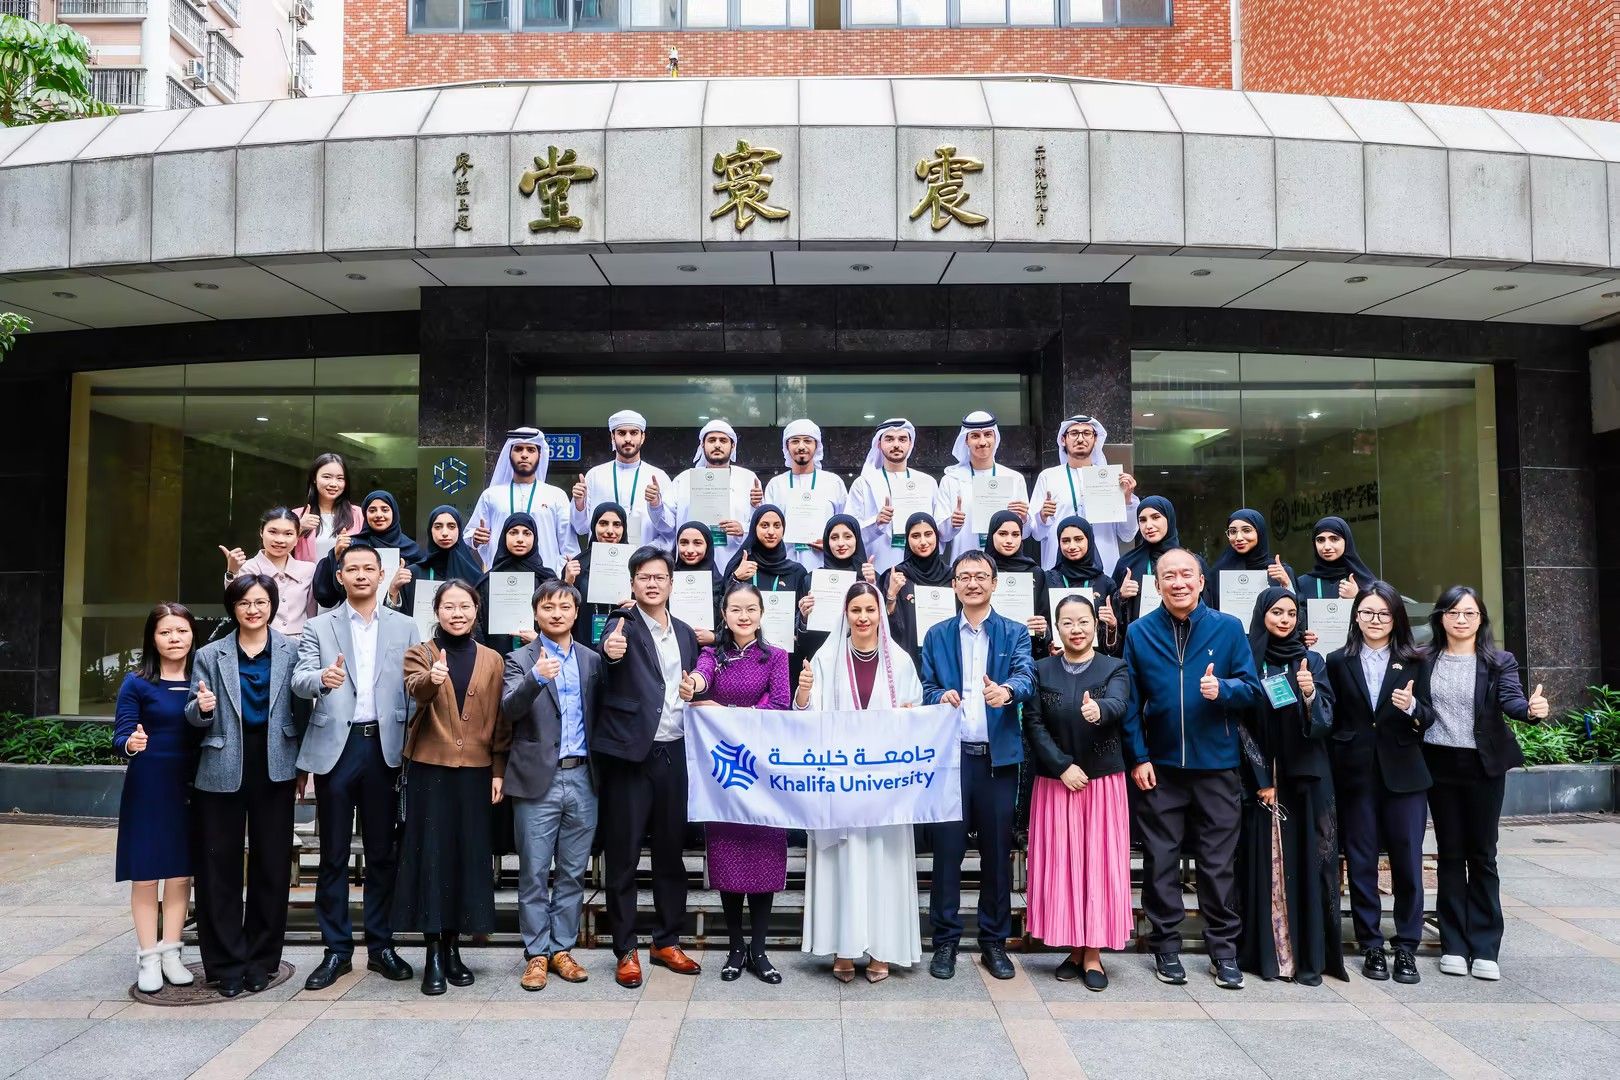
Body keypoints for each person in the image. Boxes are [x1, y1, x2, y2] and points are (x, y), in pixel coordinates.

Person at [1122, 547, 1263, 990]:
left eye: (1187, 574)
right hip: (1161, 768)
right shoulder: (1140, 632)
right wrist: (1139, 756)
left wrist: (1223, 689)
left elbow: (1252, 690)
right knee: (1160, 860)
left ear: (1202, 581)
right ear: (1157, 584)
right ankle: (1166, 946)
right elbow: (1130, 703)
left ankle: (1224, 951)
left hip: (1217, 765)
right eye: (1169, 576)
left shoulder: (1228, 628)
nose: (1178, 582)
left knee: (1217, 863)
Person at [293, 542, 422, 991]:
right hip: (337, 747)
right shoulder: (318, 626)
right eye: (353, 569)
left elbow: (414, 686)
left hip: (385, 749)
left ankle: (381, 945)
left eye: (370, 568)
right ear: (341, 576)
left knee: (383, 853)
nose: (362, 575)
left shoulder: (406, 626)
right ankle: (336, 950)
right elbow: (300, 678)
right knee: (332, 854)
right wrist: (321, 679)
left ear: (382, 575)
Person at [797, 580, 925, 983]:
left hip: (884, 787)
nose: (864, 617)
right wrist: (802, 694)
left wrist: (910, 713)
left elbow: (916, 713)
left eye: (871, 609)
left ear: (881, 613)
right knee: (843, 863)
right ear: (846, 614)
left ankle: (882, 949)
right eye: (856, 610)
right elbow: (807, 716)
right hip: (841, 783)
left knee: (883, 865)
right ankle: (844, 948)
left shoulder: (900, 661)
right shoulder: (827, 657)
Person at [1421, 586, 1549, 981]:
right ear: (1441, 617)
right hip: (1438, 763)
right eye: (1453, 612)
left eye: (1469, 613)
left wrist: (1530, 710)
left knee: (1482, 854)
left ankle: (1485, 946)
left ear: (1481, 619)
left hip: (1482, 766)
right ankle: (1454, 945)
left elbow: (1511, 700)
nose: (1461, 620)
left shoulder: (1498, 661)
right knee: (1449, 854)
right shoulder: (1423, 658)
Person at [920, 549, 1036, 981]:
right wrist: (939, 696)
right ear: (954, 585)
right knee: (947, 855)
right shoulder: (936, 635)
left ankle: (993, 942)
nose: (972, 583)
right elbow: (925, 685)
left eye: (980, 576)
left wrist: (1007, 692)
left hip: (996, 761)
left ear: (994, 583)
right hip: (950, 762)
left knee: (997, 856)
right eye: (964, 576)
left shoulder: (1013, 632)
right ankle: (945, 941)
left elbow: (1027, 676)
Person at [594, 546, 703, 988]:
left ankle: (666, 940)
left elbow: (689, 680)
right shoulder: (620, 623)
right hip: (630, 756)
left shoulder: (686, 633)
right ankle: (625, 948)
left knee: (670, 854)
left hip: (674, 753)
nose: (652, 583)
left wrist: (695, 684)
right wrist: (611, 649)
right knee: (623, 855)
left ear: (672, 583)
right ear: (633, 583)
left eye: (660, 577)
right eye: (644, 577)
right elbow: (609, 655)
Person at [186, 578, 300, 998]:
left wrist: (304, 764)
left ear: (273, 605)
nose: (253, 609)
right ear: (232, 607)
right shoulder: (209, 654)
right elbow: (192, 712)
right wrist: (201, 709)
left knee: (272, 865)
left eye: (261, 602)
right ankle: (225, 963)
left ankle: (261, 960)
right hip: (221, 764)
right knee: (219, 867)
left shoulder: (291, 650)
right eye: (244, 602)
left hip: (276, 764)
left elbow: (303, 706)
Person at [394, 579, 509, 996]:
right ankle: (433, 953)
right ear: (436, 611)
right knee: (432, 859)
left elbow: (501, 719)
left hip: (477, 772)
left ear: (477, 611)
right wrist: (433, 677)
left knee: (467, 858)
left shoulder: (493, 659)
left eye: (464, 606)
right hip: (430, 770)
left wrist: (498, 769)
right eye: (449, 606)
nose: (457, 613)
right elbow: (415, 690)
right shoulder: (420, 653)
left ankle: (455, 946)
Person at [1234, 586, 1345, 986]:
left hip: (1305, 780)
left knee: (1308, 861)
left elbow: (1326, 720)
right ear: (1261, 615)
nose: (1284, 620)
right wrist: (1262, 779)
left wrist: (1310, 693)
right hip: (1261, 780)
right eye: (1276, 612)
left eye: (1291, 613)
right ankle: (1269, 955)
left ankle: (1307, 957)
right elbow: (1240, 724)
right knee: (1263, 862)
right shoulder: (1248, 660)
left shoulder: (1311, 660)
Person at [1324, 580, 1433, 985]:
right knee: (1361, 859)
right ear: (1356, 617)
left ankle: (1406, 945)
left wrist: (1413, 707)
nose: (1375, 619)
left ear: (1396, 618)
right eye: (1367, 612)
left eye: (1383, 613)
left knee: (1407, 861)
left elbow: (1430, 716)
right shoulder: (1338, 660)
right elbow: (1332, 716)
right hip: (1354, 774)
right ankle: (1370, 942)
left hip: (1404, 773)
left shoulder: (1416, 661)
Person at [1023, 595, 1132, 989]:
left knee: (1098, 866)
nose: (1076, 629)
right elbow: (1033, 723)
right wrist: (1061, 766)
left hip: (1101, 783)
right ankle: (1073, 947)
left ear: (1094, 624)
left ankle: (1093, 954)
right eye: (1067, 622)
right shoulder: (1040, 669)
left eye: (1083, 621)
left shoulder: (1114, 666)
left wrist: (1099, 710)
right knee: (1063, 865)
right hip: (1056, 782)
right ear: (1057, 628)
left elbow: (1119, 703)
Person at [688, 582, 792, 983]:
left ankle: (760, 950)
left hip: (765, 775)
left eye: (751, 609)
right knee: (728, 862)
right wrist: (695, 686)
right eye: (736, 609)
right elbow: (700, 680)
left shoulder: (776, 657)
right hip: (725, 776)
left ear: (761, 613)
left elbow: (779, 705)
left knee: (764, 861)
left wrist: (725, 709)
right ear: (725, 614)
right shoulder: (712, 655)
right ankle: (735, 948)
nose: (744, 616)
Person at [502, 579, 602, 992]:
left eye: (564, 607)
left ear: (576, 613)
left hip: (584, 777)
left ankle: (562, 948)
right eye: (548, 607)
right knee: (533, 871)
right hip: (536, 778)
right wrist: (536, 679)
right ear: (536, 613)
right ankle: (536, 953)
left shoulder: (592, 660)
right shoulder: (519, 659)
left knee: (574, 872)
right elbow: (508, 710)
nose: (556, 613)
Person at [115, 603, 200, 994]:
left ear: (192, 635)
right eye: (165, 632)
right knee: (147, 872)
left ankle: (172, 952)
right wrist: (130, 743)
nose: (174, 639)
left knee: (181, 873)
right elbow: (120, 735)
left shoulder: (203, 679)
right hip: (148, 785)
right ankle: (148, 957)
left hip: (192, 784)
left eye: (181, 631)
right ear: (152, 638)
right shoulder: (137, 682)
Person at [1028, 415, 1139, 572]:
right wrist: (1043, 516)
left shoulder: (1111, 480)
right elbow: (1036, 534)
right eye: (1074, 433)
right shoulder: (1048, 477)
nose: (1080, 439)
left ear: (1095, 439)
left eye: (1087, 433)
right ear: (1063, 439)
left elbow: (1127, 535)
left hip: (1103, 571)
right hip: (1059, 572)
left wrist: (1127, 500)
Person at [466, 427, 577, 574]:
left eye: (531, 450)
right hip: (502, 577)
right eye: (518, 449)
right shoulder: (491, 495)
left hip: (544, 580)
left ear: (540, 455)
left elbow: (568, 546)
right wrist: (476, 538)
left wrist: (556, 575)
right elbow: (469, 534)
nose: (524, 455)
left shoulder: (556, 495)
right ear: (509, 454)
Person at [845, 418, 944, 575]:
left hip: (921, 566)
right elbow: (849, 533)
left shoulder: (927, 482)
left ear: (910, 444)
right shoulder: (864, 483)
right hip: (878, 563)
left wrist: (952, 524)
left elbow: (938, 529)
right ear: (879, 444)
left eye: (902, 439)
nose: (896, 444)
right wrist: (876, 522)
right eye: (889, 439)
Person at [569, 410, 676, 549]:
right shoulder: (594, 475)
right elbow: (580, 528)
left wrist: (656, 505)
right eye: (621, 433)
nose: (628, 439)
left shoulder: (659, 477)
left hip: (644, 557)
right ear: (612, 437)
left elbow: (669, 530)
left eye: (634, 433)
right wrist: (579, 504)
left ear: (643, 437)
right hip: (602, 558)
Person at [937, 411, 1030, 561]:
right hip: (965, 562)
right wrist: (952, 523)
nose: (982, 442)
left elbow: (1025, 534)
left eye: (987, 435)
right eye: (975, 436)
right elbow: (941, 535)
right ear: (966, 440)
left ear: (995, 438)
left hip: (1005, 563)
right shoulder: (951, 480)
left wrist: (1024, 518)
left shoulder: (1014, 478)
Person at [669, 419, 764, 564]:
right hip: (692, 561)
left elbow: (763, 524)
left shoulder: (748, 478)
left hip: (736, 561)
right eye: (712, 440)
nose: (717, 445)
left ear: (733, 446)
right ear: (702, 445)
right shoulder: (683, 479)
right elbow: (666, 524)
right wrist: (655, 504)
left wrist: (744, 528)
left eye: (723, 440)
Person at [312, 491, 423, 612]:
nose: (378, 515)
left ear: (394, 513)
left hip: (398, 617)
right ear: (365, 514)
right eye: (372, 510)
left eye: (385, 510)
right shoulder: (350, 545)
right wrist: (336, 556)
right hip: (353, 617)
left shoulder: (411, 549)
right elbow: (325, 597)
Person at [764, 419, 848, 572]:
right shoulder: (775, 485)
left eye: (808, 441)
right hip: (783, 566)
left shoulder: (833, 482)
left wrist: (832, 543)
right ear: (786, 446)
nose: (801, 446)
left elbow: (846, 525)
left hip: (824, 564)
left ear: (817, 445)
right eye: (795, 441)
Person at [1112, 496, 1208, 629]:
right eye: (1142, 520)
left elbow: (1208, 609)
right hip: (1143, 637)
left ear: (1169, 518)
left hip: (1186, 636)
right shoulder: (1128, 563)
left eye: (1155, 517)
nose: (1148, 526)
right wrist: (1121, 596)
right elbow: (1110, 617)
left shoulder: (1191, 562)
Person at [220, 508, 317, 637]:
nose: (280, 540)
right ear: (261, 532)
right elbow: (235, 602)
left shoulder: (308, 570)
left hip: (301, 643)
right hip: (261, 641)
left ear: (297, 537)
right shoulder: (248, 568)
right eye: (272, 532)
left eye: (288, 534)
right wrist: (232, 571)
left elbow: (312, 613)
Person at [797, 514, 878, 666]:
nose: (841, 543)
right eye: (834, 537)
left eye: (848, 536)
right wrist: (804, 618)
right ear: (827, 542)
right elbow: (802, 640)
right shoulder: (812, 579)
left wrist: (872, 586)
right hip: (822, 660)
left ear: (857, 539)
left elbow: (883, 627)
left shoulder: (870, 578)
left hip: (861, 659)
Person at [881, 512, 957, 669]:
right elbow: (886, 626)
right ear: (907, 540)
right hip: (909, 659)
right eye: (915, 536)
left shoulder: (952, 577)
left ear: (936, 536)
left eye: (928, 534)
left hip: (947, 657)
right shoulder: (897, 576)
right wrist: (891, 595)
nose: (923, 542)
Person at [477, 512, 558, 655]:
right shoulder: (488, 581)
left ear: (535, 538)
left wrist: (539, 641)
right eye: (513, 533)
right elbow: (478, 625)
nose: (520, 539)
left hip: (539, 658)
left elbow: (559, 623)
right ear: (504, 537)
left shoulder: (546, 579)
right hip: (496, 659)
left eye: (527, 533)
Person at [1044, 516, 1121, 656]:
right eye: (1065, 541)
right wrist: (1048, 644)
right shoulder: (1047, 579)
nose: (1072, 546)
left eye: (1078, 539)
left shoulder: (1106, 583)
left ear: (1089, 540)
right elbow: (1042, 624)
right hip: (1057, 659)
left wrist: (1112, 626)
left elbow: (1113, 648)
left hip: (1095, 662)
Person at [982, 509, 1051, 655]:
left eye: (1015, 534)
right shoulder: (980, 570)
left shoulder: (1035, 572)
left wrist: (1042, 629)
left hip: (1025, 651)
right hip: (985, 647)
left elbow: (1046, 619)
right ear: (991, 535)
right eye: (1002, 534)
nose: (1009, 540)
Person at [723, 504, 810, 616]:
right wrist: (735, 578)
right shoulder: (741, 567)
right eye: (764, 525)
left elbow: (801, 616)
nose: (771, 532)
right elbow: (724, 612)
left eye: (777, 526)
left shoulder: (796, 572)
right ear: (754, 528)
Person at [401, 505, 487, 617]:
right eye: (438, 527)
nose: (445, 532)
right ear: (430, 531)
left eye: (451, 526)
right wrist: (393, 589)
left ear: (459, 531)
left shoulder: (474, 575)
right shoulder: (412, 574)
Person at [1207, 509, 1295, 611]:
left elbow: (1297, 614)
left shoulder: (1279, 571)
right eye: (1233, 531)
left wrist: (1287, 585)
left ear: (1260, 532)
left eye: (1246, 530)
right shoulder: (1218, 572)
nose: (1238, 538)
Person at [571, 502, 631, 647]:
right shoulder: (578, 563)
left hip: (624, 642)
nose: (610, 531)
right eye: (603, 523)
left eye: (617, 524)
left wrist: (638, 605)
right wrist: (567, 581)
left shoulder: (635, 562)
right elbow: (566, 607)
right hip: (584, 641)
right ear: (594, 526)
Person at [294, 452, 362, 564]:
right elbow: (279, 552)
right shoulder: (297, 516)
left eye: (340, 478)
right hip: (309, 576)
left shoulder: (358, 514)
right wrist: (298, 528)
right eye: (326, 477)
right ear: (314, 478)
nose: (333, 484)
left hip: (346, 575)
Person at [1294, 516, 1376, 604]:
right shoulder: (1302, 584)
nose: (1327, 547)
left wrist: (1357, 596)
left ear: (1347, 541)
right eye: (1320, 540)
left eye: (1334, 539)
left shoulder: (1365, 582)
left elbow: (1379, 610)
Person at [673, 520, 724, 646]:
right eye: (684, 543)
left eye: (697, 543)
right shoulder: (667, 580)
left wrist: (715, 637)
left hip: (711, 651)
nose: (690, 550)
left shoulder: (722, 584)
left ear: (708, 546)